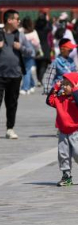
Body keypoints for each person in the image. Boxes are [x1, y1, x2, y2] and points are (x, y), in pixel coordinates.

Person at [46, 72, 78, 187]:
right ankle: (66, 176)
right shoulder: (59, 98)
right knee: (63, 155)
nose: (64, 86)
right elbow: (49, 101)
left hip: (77, 131)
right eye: (63, 84)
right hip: (63, 131)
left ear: (76, 85)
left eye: (67, 84)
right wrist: (55, 88)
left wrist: (76, 91)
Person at [0, 10, 26, 139]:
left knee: (12, 103)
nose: (19, 21)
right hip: (0, 74)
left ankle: (10, 128)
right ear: (9, 20)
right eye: (17, 19)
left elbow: (32, 51)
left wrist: (21, 47)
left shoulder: (20, 35)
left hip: (15, 74)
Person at [20, 17, 42, 94]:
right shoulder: (33, 32)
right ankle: (32, 85)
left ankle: (25, 88)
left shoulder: (21, 32)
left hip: (23, 53)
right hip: (31, 53)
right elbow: (37, 44)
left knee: (26, 70)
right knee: (27, 70)